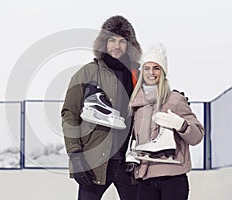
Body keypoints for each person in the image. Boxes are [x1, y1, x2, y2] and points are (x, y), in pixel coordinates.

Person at [61, 15, 142, 199]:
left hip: (129, 165)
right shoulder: (88, 72)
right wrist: (75, 156)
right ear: (103, 42)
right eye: (112, 40)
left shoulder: (138, 74)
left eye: (122, 41)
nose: (117, 46)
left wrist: (173, 98)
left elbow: (155, 102)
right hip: (95, 162)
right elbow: (69, 114)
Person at [126, 44, 204, 200]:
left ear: (163, 72)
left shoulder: (174, 100)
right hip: (145, 179)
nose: (151, 73)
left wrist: (182, 125)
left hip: (172, 177)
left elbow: (197, 136)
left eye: (156, 68)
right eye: (147, 68)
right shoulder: (136, 103)